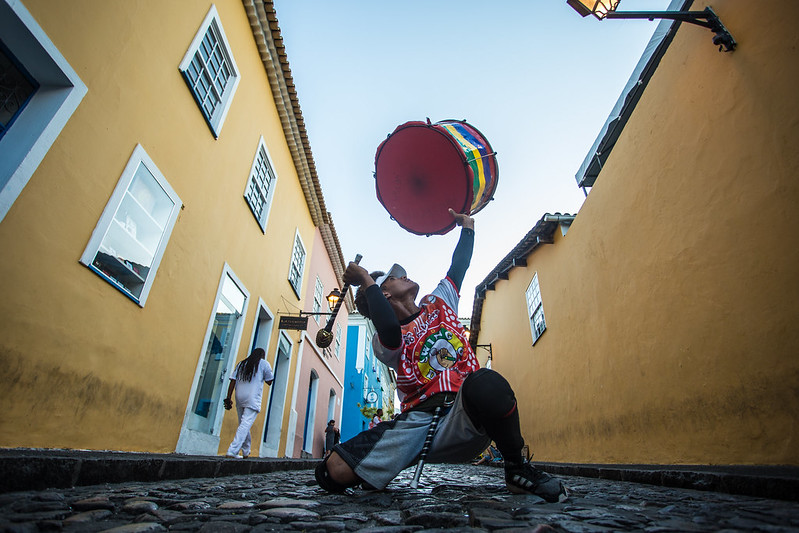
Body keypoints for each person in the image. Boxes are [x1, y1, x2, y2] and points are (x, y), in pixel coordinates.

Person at [314, 209, 567, 502]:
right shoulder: (383, 341)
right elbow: (390, 330)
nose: (403, 275)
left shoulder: (438, 301)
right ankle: (384, 465)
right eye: (395, 277)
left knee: (487, 382)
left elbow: (458, 265)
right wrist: (365, 281)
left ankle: (517, 469)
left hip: (466, 413)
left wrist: (468, 227)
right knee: (332, 473)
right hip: (418, 425)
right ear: (385, 294)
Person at [223, 347, 274, 458]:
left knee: (244, 424)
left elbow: (233, 380)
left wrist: (228, 397)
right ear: (262, 356)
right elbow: (269, 381)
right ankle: (232, 450)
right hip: (252, 397)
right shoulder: (264, 364)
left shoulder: (241, 364)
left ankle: (246, 451)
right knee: (245, 424)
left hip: (239, 396)